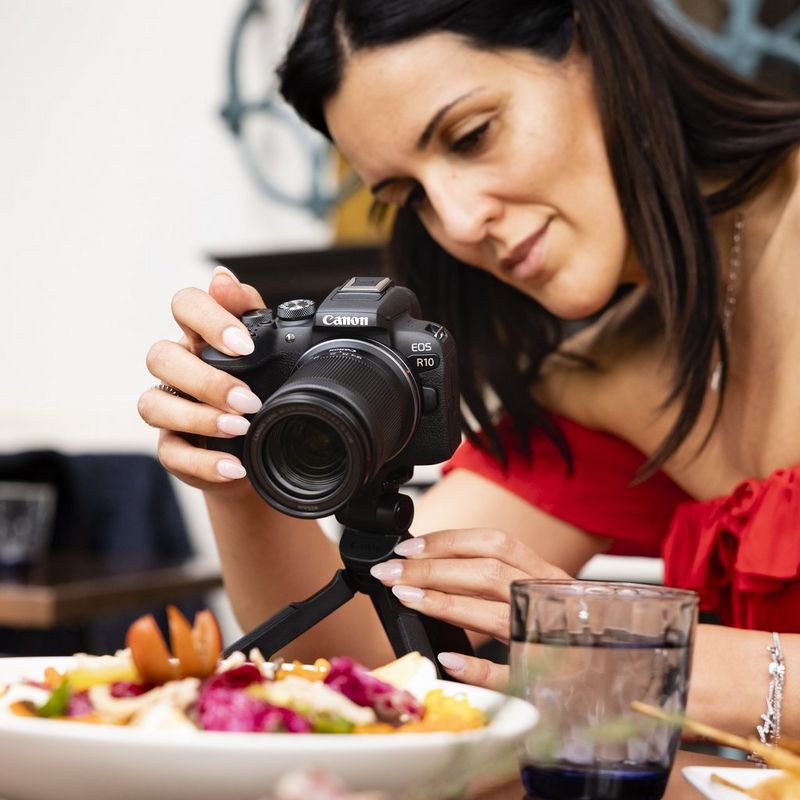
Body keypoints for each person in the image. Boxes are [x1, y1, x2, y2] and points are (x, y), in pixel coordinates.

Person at [138, 0, 800, 740]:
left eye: (471, 136)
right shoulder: (601, 382)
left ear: (591, 46)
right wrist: (237, 462)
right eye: (411, 196)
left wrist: (654, 661)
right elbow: (362, 662)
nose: (457, 222)